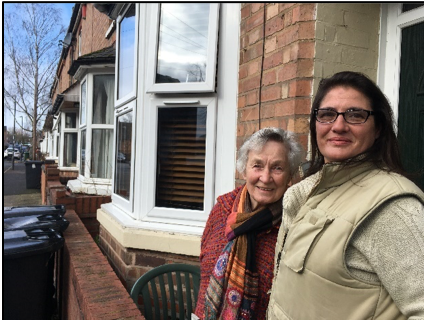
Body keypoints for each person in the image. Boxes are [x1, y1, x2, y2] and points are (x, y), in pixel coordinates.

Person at [267, 71, 424, 319]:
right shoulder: (306, 190)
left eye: (355, 115)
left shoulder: (394, 207)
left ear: (378, 128)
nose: (338, 126)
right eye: (327, 114)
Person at [194, 127, 304, 320]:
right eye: (258, 166)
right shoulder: (222, 209)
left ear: (289, 176)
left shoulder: (294, 225)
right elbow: (204, 265)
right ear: (244, 170)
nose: (265, 177)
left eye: (277, 168)